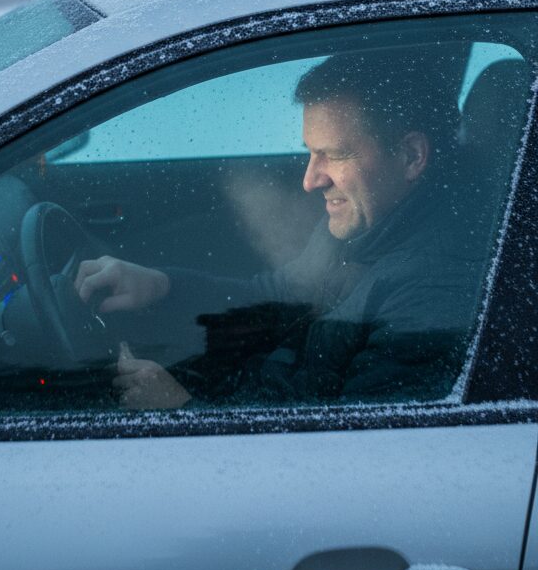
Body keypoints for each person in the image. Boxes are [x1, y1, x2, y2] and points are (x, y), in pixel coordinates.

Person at [75, 50, 489, 410]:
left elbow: (353, 462)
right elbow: (275, 300)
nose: (311, 181)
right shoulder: (363, 227)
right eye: (311, 153)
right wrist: (160, 287)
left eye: (334, 155)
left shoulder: (435, 295)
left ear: (411, 155)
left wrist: (179, 411)